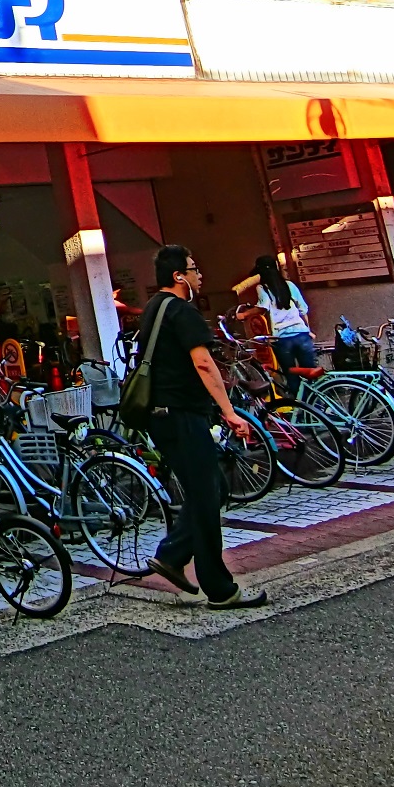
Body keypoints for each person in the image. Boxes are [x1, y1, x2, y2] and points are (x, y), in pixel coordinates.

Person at [137, 245, 268, 610]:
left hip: (162, 417)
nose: (199, 275)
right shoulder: (181, 311)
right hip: (182, 415)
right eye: (193, 269)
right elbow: (204, 363)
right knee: (208, 495)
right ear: (178, 275)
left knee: (212, 488)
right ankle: (219, 588)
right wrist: (229, 412)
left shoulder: (153, 309)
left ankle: (173, 555)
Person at [234, 254, 318, 372]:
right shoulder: (289, 285)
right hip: (301, 335)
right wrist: (308, 330)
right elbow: (303, 309)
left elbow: (262, 307)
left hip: (281, 338)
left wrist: (243, 315)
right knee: (310, 373)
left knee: (291, 374)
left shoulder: (262, 288)